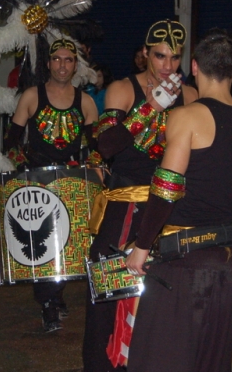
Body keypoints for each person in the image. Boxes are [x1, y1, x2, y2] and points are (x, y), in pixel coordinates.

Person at [125, 31, 232, 372]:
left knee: (161, 360)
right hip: (226, 265)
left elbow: (165, 191)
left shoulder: (186, 117)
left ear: (193, 67)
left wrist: (141, 247)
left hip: (180, 264)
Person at [82, 20, 197, 371]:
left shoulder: (190, 95)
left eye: (175, 58)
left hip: (172, 209)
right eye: (160, 56)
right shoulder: (123, 89)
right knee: (108, 294)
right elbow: (105, 146)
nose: (168, 66)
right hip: (124, 205)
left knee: (163, 299)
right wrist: (150, 109)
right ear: (145, 53)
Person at [5, 38, 99, 332]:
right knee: (41, 241)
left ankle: (55, 296)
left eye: (68, 60)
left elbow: (95, 146)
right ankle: (48, 302)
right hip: (37, 179)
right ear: (48, 64)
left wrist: (95, 168)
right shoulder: (32, 95)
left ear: (75, 64)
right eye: (57, 59)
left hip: (71, 180)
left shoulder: (86, 101)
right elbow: (12, 139)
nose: (62, 65)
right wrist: (19, 173)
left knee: (67, 241)